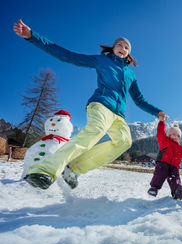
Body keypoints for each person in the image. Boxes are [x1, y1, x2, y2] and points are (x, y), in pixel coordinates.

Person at [13, 19, 164, 189]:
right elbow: (68, 56)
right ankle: (44, 170)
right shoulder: (102, 61)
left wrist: (157, 112)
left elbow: (139, 99)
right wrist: (32, 36)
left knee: (124, 141)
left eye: (126, 47)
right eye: (120, 45)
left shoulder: (130, 75)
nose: (123, 48)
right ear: (113, 48)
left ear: (129, 53)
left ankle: (74, 169)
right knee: (95, 131)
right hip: (100, 104)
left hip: (118, 115)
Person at [147, 113, 182, 200]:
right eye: (174, 134)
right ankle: (154, 188)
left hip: (174, 166)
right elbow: (160, 133)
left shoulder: (180, 148)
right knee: (160, 173)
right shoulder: (164, 140)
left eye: (178, 136)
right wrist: (161, 121)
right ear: (169, 135)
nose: (176, 137)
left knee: (175, 177)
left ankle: (176, 191)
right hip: (163, 163)